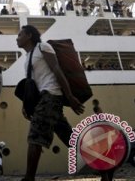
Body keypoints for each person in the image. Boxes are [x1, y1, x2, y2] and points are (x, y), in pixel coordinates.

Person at [16, 25, 84, 181]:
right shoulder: (28, 57)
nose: (17, 38)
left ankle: (29, 178)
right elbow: (32, 84)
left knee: (35, 135)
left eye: (20, 35)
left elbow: (56, 69)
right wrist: (25, 106)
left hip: (52, 95)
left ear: (29, 35)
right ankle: (105, 169)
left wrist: (70, 96)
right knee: (71, 139)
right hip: (44, 99)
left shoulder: (43, 47)